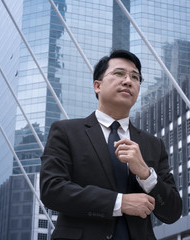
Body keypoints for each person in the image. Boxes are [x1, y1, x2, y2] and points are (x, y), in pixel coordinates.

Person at [40, 49, 182, 240]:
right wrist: (120, 203)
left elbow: (172, 212)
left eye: (135, 77)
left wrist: (146, 174)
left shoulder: (153, 145)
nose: (128, 81)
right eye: (119, 73)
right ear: (97, 86)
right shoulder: (66, 132)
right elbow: (52, 189)